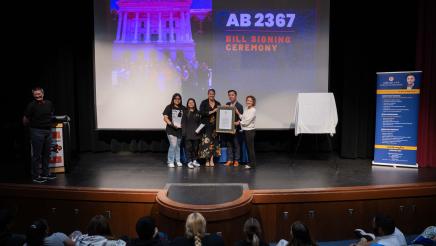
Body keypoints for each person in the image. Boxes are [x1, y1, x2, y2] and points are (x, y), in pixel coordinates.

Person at [23, 87, 56, 183]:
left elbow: (51, 114)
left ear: (43, 94)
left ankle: (46, 173)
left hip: (48, 131)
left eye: (39, 94)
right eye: (35, 94)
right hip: (37, 131)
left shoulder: (49, 103)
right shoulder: (31, 105)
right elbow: (25, 119)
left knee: (47, 154)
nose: (37, 96)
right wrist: (32, 128)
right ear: (33, 95)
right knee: (37, 155)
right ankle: (36, 175)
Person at [199, 89, 221, 167]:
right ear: (208, 94)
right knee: (206, 143)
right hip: (206, 126)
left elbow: (221, 115)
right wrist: (213, 111)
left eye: (213, 94)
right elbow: (201, 112)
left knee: (214, 144)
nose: (211, 95)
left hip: (215, 127)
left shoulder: (218, 103)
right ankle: (207, 160)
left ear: (214, 94)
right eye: (210, 94)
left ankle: (211, 159)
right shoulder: (204, 102)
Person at [163, 93, 185, 168]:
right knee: (173, 145)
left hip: (179, 130)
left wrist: (183, 124)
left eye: (179, 99)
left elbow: (185, 119)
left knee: (178, 146)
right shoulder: (169, 107)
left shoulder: (183, 108)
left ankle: (177, 160)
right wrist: (171, 124)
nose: (177, 100)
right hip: (171, 129)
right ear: (173, 99)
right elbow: (165, 118)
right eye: (175, 98)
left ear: (180, 100)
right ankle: (170, 161)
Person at [235, 96, 256, 169]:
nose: (248, 102)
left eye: (250, 101)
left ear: (253, 102)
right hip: (245, 131)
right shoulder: (246, 109)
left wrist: (239, 123)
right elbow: (243, 117)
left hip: (250, 131)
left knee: (250, 148)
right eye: (247, 100)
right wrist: (238, 113)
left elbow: (247, 121)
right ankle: (250, 163)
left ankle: (252, 164)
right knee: (248, 148)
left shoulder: (253, 110)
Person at [224, 90, 243, 167]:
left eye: (232, 95)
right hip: (228, 128)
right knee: (229, 144)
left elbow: (241, 117)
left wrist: (237, 123)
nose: (231, 96)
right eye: (229, 95)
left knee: (236, 144)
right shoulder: (227, 104)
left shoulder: (239, 106)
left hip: (236, 129)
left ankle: (236, 160)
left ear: (236, 96)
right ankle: (230, 160)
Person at [182, 98, 202, 169]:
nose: (191, 103)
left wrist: (199, 130)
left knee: (195, 148)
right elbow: (183, 123)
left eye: (192, 102)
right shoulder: (185, 112)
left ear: (194, 103)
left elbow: (200, 123)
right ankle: (189, 161)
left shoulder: (198, 112)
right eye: (189, 102)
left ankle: (194, 160)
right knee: (188, 148)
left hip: (196, 134)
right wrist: (184, 133)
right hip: (188, 134)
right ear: (187, 104)